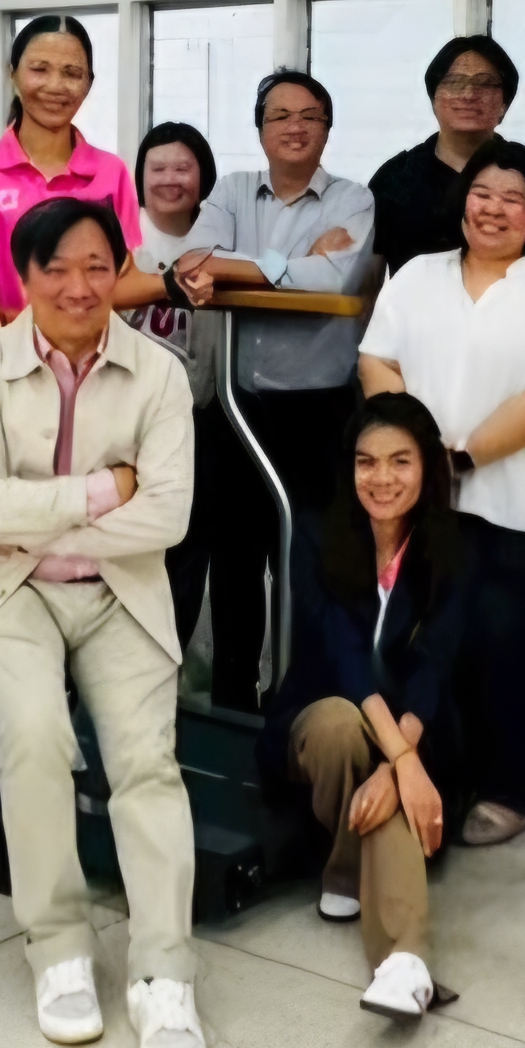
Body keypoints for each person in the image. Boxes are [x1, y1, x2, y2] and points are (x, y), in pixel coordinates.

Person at [0, 197, 206, 1048]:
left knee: (146, 762)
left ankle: (164, 971)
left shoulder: (159, 374)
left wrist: (32, 520)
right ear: (23, 275)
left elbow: (167, 517)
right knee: (34, 739)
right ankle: (58, 947)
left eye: (97, 266)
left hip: (121, 588)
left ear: (121, 269)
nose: (79, 287)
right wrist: (101, 491)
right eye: (55, 268)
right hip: (11, 589)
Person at [359, 141, 525, 847]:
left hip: (515, 506)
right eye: (482, 194)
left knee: (507, 652)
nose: (494, 209)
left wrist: (456, 458)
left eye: (512, 198)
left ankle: (511, 787)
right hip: (423, 508)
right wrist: (414, 460)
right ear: (461, 201)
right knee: (430, 650)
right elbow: (377, 359)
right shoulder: (417, 276)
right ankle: (441, 777)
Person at [180, 70, 380, 716]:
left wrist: (244, 266)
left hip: (319, 411)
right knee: (235, 565)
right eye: (280, 115)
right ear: (261, 129)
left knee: (312, 565)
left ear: (327, 128)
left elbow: (336, 279)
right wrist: (291, 266)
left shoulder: (353, 199)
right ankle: (234, 705)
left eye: (309, 116)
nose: (295, 126)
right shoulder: (232, 190)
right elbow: (194, 263)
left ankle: (299, 707)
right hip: (236, 407)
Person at [272, 393, 468, 1020]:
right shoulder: (315, 535)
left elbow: (435, 662)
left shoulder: (452, 545)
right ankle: (348, 871)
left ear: (426, 467)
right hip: (322, 722)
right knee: (339, 724)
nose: (381, 478)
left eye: (400, 461)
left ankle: (404, 961)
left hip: (414, 727)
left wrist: (397, 764)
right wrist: (403, 764)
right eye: (367, 462)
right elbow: (345, 659)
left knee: (391, 784)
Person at [0, 15, 149, 341]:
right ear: (13, 74)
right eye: (39, 69)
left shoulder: (111, 172)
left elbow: (122, 278)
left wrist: (175, 282)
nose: (55, 86)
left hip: (88, 353)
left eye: (71, 73)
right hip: (4, 351)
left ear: (89, 83)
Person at [120, 120, 225, 646]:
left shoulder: (220, 237)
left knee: (187, 547)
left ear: (203, 176)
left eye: (183, 168)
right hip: (125, 421)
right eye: (157, 168)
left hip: (199, 417)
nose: (169, 179)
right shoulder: (122, 233)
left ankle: (170, 661)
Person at [369, 35, 517, 273]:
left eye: (485, 84)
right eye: (454, 82)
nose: (468, 94)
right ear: (433, 98)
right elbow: (368, 281)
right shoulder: (396, 177)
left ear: (504, 104)